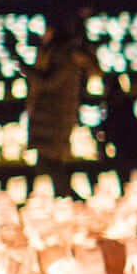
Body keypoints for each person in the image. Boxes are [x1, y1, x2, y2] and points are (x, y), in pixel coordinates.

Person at [24, 15, 97, 195]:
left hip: (53, 117)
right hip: (53, 116)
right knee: (49, 164)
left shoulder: (62, 54)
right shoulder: (57, 52)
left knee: (51, 165)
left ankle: (68, 202)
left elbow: (48, 82)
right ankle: (59, 201)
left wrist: (23, 66)